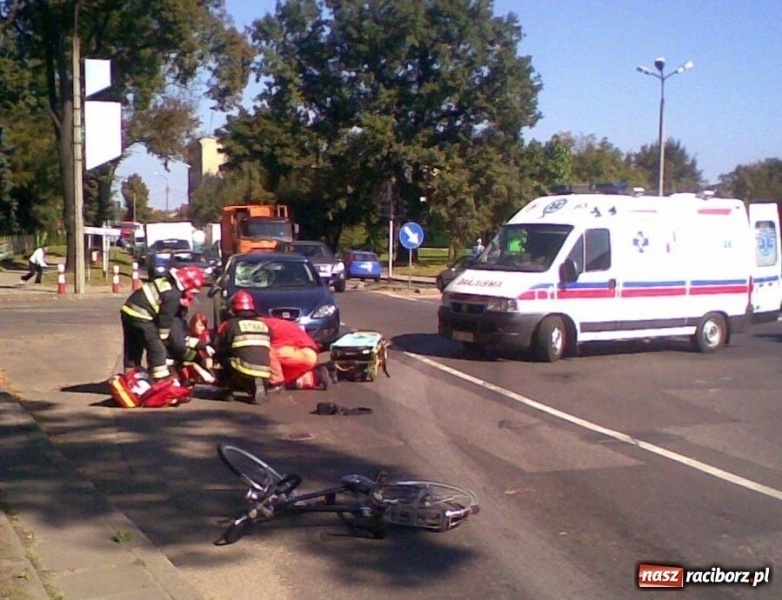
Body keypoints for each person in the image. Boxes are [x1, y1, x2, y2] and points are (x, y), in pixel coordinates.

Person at [120, 266, 205, 381]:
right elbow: (166, 319)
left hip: (128, 311)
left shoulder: (167, 282)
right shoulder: (174, 295)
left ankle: (130, 376)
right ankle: (161, 380)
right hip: (142, 316)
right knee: (157, 349)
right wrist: (163, 339)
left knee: (133, 346)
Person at [214, 291, 272, 404]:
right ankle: (259, 386)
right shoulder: (263, 325)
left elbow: (222, 346)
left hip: (243, 368)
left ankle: (227, 392)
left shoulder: (231, 324)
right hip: (265, 370)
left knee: (221, 359)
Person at [260, 316, 327, 390]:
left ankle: (277, 383)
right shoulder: (273, 322)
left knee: (265, 350)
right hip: (308, 353)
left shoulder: (262, 325)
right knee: (288, 380)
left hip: (301, 353)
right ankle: (314, 376)